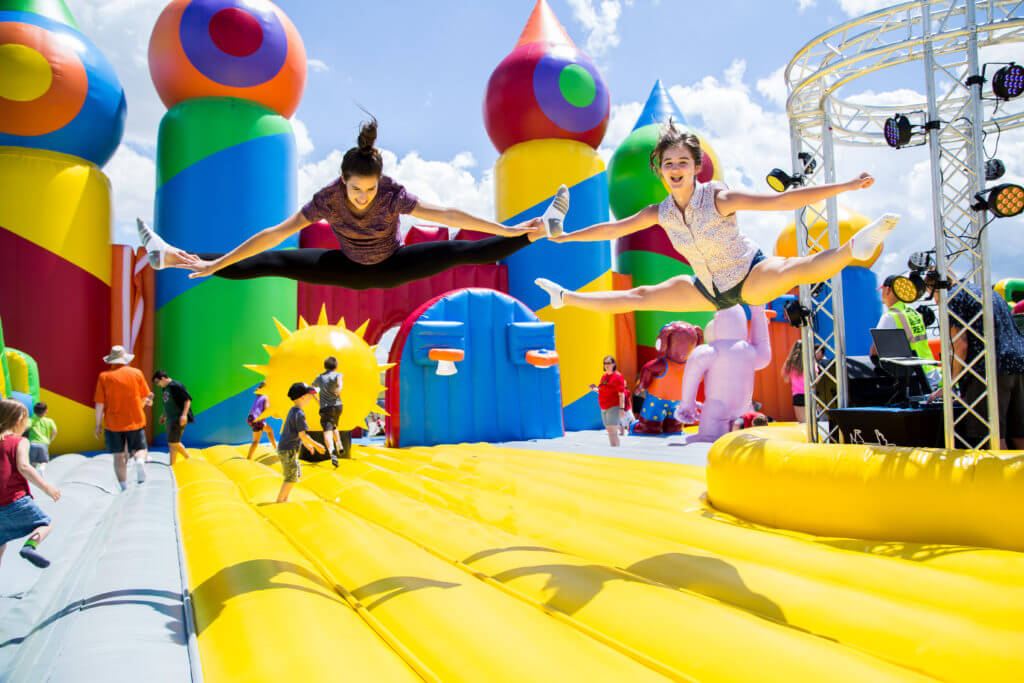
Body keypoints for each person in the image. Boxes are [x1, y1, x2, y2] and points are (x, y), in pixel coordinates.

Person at [137, 118, 563, 289]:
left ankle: (538, 228)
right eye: (356, 189)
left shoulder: (393, 194)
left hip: (394, 265)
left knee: (462, 251)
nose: (363, 197)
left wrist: (507, 229)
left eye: (369, 190)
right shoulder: (328, 199)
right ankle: (172, 257)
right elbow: (274, 234)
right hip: (346, 267)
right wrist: (212, 265)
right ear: (343, 181)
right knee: (274, 261)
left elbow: (447, 214)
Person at [534, 122, 896, 314]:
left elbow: (783, 200)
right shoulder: (659, 212)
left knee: (795, 269)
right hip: (705, 288)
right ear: (659, 171)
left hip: (749, 275)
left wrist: (846, 185)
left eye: (683, 163)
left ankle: (854, 247)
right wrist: (566, 237)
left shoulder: (719, 197)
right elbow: (614, 228)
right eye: (668, 164)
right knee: (639, 296)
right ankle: (565, 299)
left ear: (695, 167)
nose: (675, 169)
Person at [927, 275, 1024, 449]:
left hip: (987, 369)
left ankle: (997, 476)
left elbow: (960, 345)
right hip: (1017, 364)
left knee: (993, 437)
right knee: (1017, 434)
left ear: (935, 287)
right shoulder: (990, 293)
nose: (935, 302)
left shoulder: (954, 297)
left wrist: (950, 384)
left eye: (932, 296)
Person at [0, 399, 61, 569]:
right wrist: (47, 487)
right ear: (19, 421)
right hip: (15, 500)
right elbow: (24, 466)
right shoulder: (19, 441)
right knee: (45, 524)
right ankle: (29, 547)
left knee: (0, 544)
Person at [94, 345, 153, 490]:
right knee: (140, 448)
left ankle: (123, 486)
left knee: (118, 456)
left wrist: (97, 424)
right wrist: (141, 406)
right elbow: (146, 396)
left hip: (113, 422)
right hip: (135, 419)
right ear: (125, 359)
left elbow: (100, 404)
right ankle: (139, 461)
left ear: (111, 361)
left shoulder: (104, 377)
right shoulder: (136, 373)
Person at [870, 275, 940, 390]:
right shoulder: (915, 314)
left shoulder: (890, 316)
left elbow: (874, 353)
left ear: (888, 290)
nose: (881, 293)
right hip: (931, 373)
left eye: (882, 290)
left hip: (914, 380)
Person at [276, 383, 326, 504]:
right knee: (291, 477)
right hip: (288, 449)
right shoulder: (299, 414)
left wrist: (307, 445)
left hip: (287, 448)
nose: (311, 398)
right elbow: (302, 435)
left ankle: (285, 498)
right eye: (310, 395)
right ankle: (280, 500)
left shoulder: (293, 411)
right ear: (303, 397)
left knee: (295, 473)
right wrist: (316, 445)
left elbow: (297, 434)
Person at [312, 356, 349, 467]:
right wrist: (338, 389)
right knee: (333, 426)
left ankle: (332, 451)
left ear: (325, 366)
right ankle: (339, 445)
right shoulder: (338, 375)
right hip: (338, 406)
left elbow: (312, 389)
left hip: (326, 407)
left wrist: (317, 400)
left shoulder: (320, 377)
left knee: (327, 431)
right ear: (336, 366)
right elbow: (339, 383)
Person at [152, 370, 194, 466]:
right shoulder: (165, 388)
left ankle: (185, 459)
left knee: (173, 443)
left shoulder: (176, 386)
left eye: (158, 382)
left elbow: (187, 400)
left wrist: (184, 415)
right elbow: (168, 403)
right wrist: (164, 415)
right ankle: (175, 463)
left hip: (178, 417)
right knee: (173, 443)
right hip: (170, 418)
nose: (158, 385)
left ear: (162, 378)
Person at [590, 356, 627, 447]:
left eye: (609, 363)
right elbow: (602, 390)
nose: (607, 365)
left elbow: (621, 394)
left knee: (613, 432)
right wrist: (595, 389)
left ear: (613, 364)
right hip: (604, 407)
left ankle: (616, 452)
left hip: (613, 406)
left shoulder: (618, 376)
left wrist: (622, 409)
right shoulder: (604, 376)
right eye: (605, 363)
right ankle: (613, 451)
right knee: (610, 431)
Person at [246, 382, 277, 460]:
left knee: (269, 430)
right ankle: (249, 458)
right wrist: (274, 414)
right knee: (256, 441)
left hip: (251, 418)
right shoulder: (265, 397)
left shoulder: (259, 396)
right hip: (257, 420)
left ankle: (276, 448)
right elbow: (267, 409)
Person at [25, 402, 57, 474]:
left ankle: (33, 473)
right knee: (44, 461)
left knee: (32, 461)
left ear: (33, 411)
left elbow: (26, 428)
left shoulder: (31, 420)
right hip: (43, 443)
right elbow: (54, 431)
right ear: (46, 411)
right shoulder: (49, 421)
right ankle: (41, 469)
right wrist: (50, 440)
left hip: (32, 443)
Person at [782, 340, 808, 423]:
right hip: (810, 394)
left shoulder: (790, 363)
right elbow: (816, 379)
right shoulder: (809, 362)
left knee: (802, 422)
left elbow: (786, 379)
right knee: (812, 422)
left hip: (797, 395)